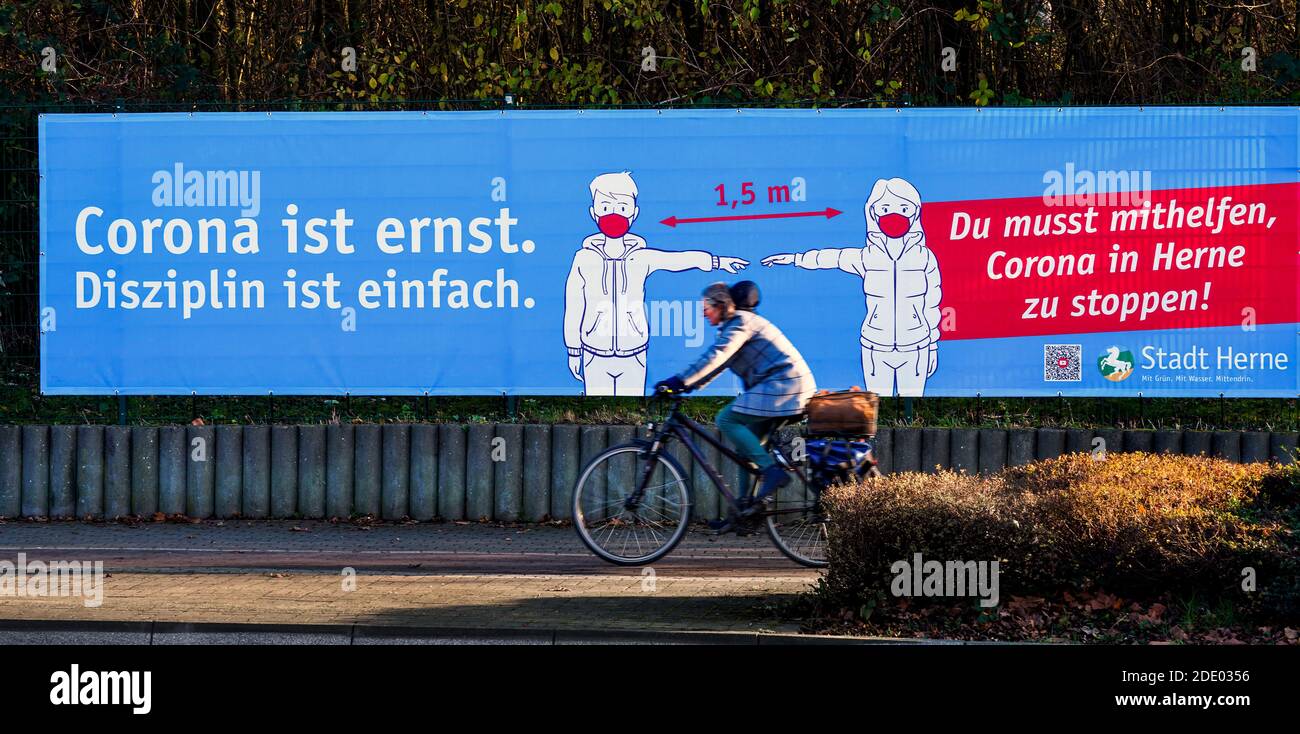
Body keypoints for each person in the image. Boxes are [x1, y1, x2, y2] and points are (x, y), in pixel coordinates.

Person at [563, 171, 749, 396]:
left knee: (632, 409)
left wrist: (716, 261)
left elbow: (679, 260)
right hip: (593, 352)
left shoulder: (641, 257)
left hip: (633, 352)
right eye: (606, 207)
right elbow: (574, 305)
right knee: (595, 404)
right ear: (594, 212)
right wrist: (574, 350)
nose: (613, 214)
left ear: (633, 213)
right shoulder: (584, 258)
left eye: (621, 207)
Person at [653, 281, 816, 531]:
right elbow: (716, 366)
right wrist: (687, 386)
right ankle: (744, 512)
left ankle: (771, 470)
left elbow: (716, 356)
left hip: (784, 388)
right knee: (746, 450)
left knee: (726, 419)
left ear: (720, 305)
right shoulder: (738, 325)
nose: (703, 312)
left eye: (706, 306)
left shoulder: (741, 322)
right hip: (783, 388)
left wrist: (679, 381)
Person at [761, 177, 942, 396]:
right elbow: (830, 258)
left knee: (912, 401)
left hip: (916, 346)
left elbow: (932, 303)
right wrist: (795, 258)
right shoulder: (866, 256)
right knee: (875, 409)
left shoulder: (925, 258)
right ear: (874, 213)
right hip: (876, 346)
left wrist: (932, 345)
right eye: (885, 208)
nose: (895, 215)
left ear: (914, 213)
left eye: (903, 208)